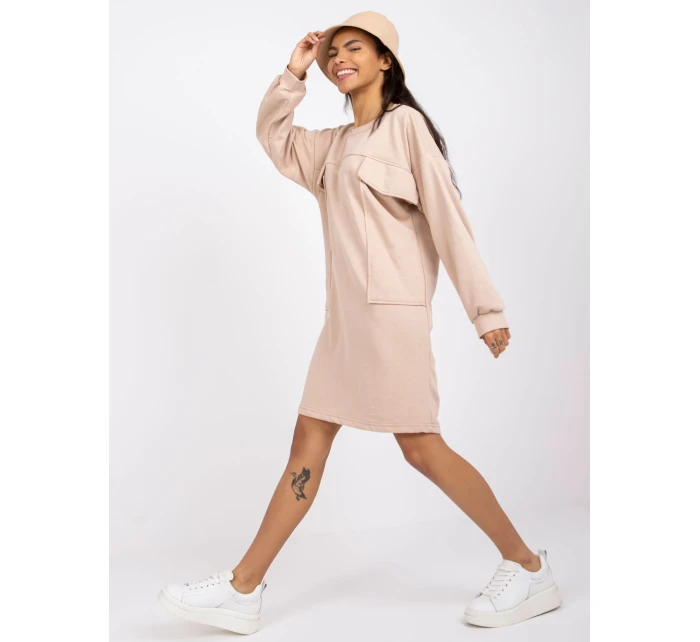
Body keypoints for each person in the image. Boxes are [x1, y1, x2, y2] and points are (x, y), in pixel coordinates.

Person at [158, 11, 562, 634]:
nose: (339, 58)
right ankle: (243, 588)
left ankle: (528, 566)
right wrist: (294, 72)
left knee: (421, 448)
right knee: (307, 443)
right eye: (332, 54)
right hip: (343, 325)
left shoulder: (406, 128)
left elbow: (448, 219)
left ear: (385, 61)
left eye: (354, 48)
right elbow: (273, 135)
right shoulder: (331, 145)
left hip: (392, 321)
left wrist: (486, 311)